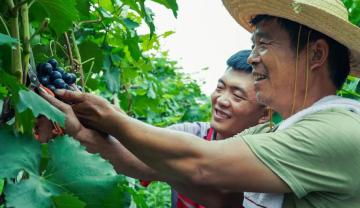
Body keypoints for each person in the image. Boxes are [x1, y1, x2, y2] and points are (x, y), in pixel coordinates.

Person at [41, 0, 360, 207]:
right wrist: (79, 129)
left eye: (264, 44)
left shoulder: (339, 131)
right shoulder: (269, 132)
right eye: (252, 46)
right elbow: (216, 193)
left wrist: (110, 118)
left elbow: (200, 165)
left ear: (316, 54)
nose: (253, 58)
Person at [39, 50, 269, 207]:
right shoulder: (190, 133)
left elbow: (222, 198)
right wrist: (83, 126)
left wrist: (101, 123)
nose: (222, 100)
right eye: (220, 87)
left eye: (237, 96)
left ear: (264, 115)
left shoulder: (266, 154)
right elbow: (133, 152)